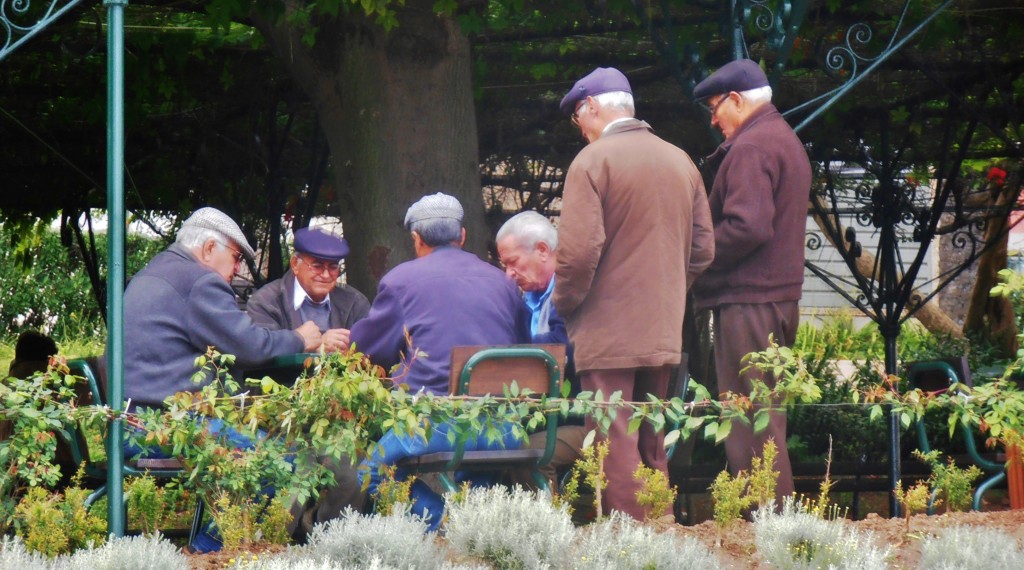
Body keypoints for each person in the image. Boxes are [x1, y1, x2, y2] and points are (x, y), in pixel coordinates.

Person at [554, 67, 715, 520]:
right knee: (651, 437)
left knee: (614, 441)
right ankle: (659, 533)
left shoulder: (591, 163)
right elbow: (704, 249)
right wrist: (665, 290)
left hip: (607, 333)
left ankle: (630, 548)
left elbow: (578, 254)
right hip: (662, 329)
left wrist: (566, 304)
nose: (580, 129)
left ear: (591, 107)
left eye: (578, 118)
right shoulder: (681, 160)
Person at [122, 207, 322, 551]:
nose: (238, 269)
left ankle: (215, 545)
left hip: (130, 425)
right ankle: (206, 552)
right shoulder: (197, 280)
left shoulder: (150, 275)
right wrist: (301, 338)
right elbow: (248, 345)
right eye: (235, 257)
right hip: (167, 428)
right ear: (208, 249)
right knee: (287, 462)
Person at [350, 192, 532, 530]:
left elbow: (370, 349)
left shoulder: (400, 281)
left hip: (437, 425)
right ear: (462, 236)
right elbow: (524, 348)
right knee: (476, 476)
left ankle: (446, 526)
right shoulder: (502, 283)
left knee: (372, 472)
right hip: (503, 428)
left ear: (416, 239)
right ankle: (473, 531)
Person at [690, 59, 812, 506]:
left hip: (749, 302)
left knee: (748, 421)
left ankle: (768, 523)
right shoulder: (782, 138)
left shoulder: (751, 147)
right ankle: (773, 521)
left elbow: (747, 226)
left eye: (715, 107)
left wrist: (698, 256)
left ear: (737, 100)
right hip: (774, 300)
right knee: (766, 416)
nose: (713, 118)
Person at [495, 211, 585, 490]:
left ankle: (546, 531)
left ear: (543, 251)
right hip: (545, 417)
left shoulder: (572, 292)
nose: (508, 274)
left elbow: (560, 357)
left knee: (524, 452)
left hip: (584, 417)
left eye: (513, 263)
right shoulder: (526, 298)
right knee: (493, 441)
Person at [247, 227, 370, 353]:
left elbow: (371, 350)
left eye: (333, 267)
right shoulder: (266, 301)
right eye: (317, 266)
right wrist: (315, 346)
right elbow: (261, 353)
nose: (326, 275)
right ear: (295, 264)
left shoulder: (355, 302)